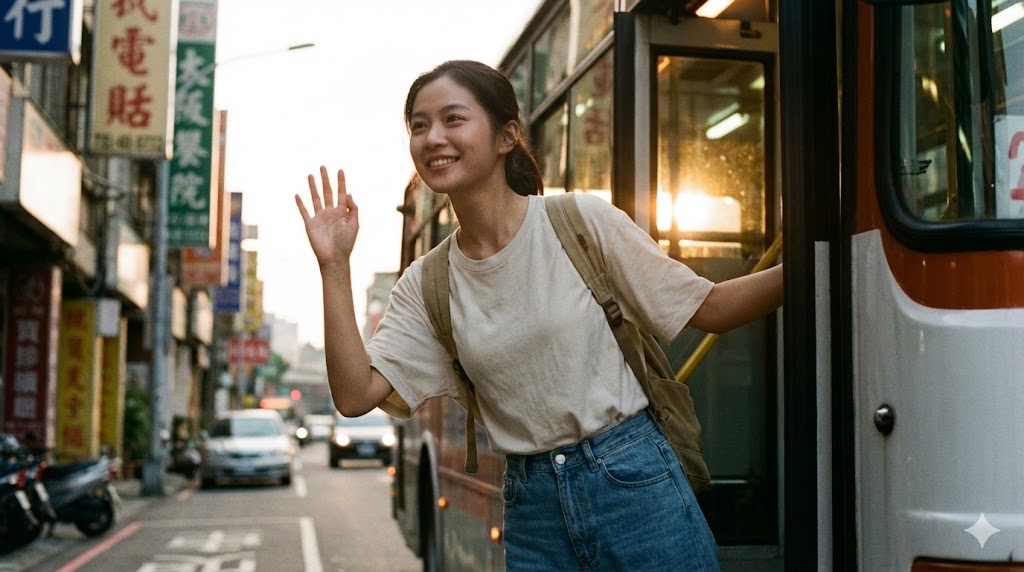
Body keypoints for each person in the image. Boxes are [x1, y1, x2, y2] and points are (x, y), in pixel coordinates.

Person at [295, 60, 783, 571]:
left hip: (634, 485)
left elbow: (712, 307)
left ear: (507, 136)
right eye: (419, 126)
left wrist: (823, 256)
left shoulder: (578, 222)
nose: (433, 137)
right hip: (532, 511)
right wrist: (334, 266)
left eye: (453, 119)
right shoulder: (427, 282)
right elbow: (354, 396)